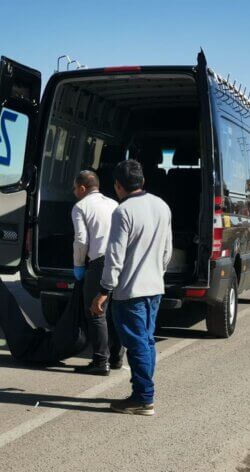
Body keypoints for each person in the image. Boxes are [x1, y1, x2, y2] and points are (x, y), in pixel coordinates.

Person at [91, 160, 172, 416]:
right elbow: (167, 251)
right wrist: (156, 274)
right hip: (155, 288)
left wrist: (104, 290)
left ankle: (143, 398)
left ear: (117, 186)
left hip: (130, 292)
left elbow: (114, 257)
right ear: (143, 181)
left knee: (137, 345)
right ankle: (142, 391)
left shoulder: (123, 212)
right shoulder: (162, 205)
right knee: (146, 342)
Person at [70, 170, 121, 376]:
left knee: (96, 311)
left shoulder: (80, 207)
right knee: (114, 310)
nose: (74, 192)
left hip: (99, 263)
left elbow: (81, 240)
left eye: (75, 188)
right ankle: (116, 357)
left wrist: (79, 265)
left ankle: (101, 361)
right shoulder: (114, 204)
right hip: (119, 262)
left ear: (83, 188)